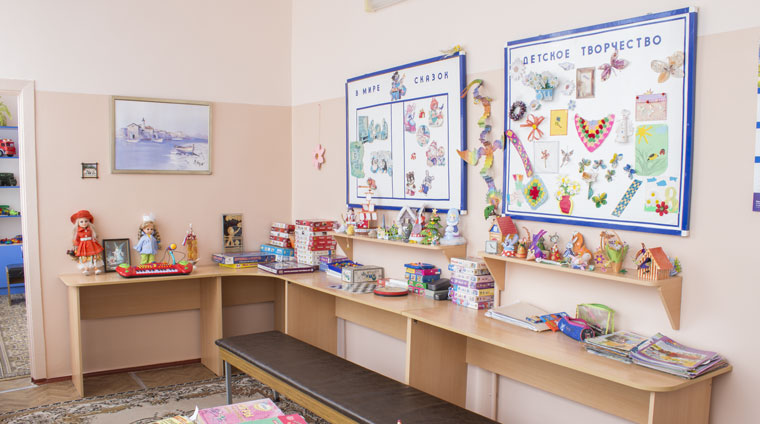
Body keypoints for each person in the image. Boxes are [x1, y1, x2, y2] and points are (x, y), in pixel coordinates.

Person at [70, 210, 104, 275]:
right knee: (85, 257)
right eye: (81, 221)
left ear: (89, 222)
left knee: (94, 256)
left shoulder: (90, 230)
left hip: (91, 245)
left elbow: (94, 236)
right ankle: (86, 269)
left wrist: (95, 241)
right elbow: (77, 240)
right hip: (83, 246)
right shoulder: (78, 231)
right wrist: (76, 247)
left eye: (86, 221)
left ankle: (96, 269)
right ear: (78, 223)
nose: (84, 223)